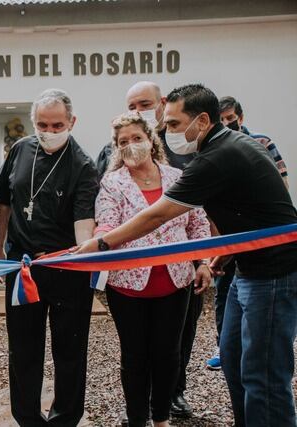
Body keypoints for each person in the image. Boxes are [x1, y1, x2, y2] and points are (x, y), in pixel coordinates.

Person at [74, 83, 297, 427]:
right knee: (235, 359)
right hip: (245, 270)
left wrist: (100, 245)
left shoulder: (217, 156)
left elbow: (160, 214)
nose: (168, 132)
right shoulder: (222, 149)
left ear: (203, 121)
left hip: (272, 275)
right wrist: (218, 258)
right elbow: (242, 214)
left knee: (263, 373)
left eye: (174, 125)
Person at [96, 112, 211, 427]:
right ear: (116, 149)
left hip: (175, 281)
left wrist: (202, 262)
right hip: (127, 285)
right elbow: (106, 221)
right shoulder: (112, 182)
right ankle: (137, 420)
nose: (131, 146)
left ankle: (161, 418)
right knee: (135, 356)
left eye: (136, 138)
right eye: (123, 142)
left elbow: (197, 223)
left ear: (150, 140)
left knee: (167, 354)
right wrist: (98, 241)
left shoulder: (177, 177)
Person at [0, 89, 99, 426]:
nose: (49, 131)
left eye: (57, 125)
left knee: (69, 348)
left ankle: (65, 418)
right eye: (42, 124)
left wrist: (86, 255)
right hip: (22, 268)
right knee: (23, 348)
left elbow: (84, 222)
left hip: (67, 268)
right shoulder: (21, 149)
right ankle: (27, 417)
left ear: (72, 122)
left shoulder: (82, 164)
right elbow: (5, 201)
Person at [206, 95, 291, 370]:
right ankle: (225, 346)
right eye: (223, 119)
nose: (227, 124)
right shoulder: (215, 152)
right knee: (225, 294)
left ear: (240, 118)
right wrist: (223, 247)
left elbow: (281, 189)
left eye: (231, 119)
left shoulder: (261, 144)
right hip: (232, 244)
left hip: (265, 248)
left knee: (264, 354)